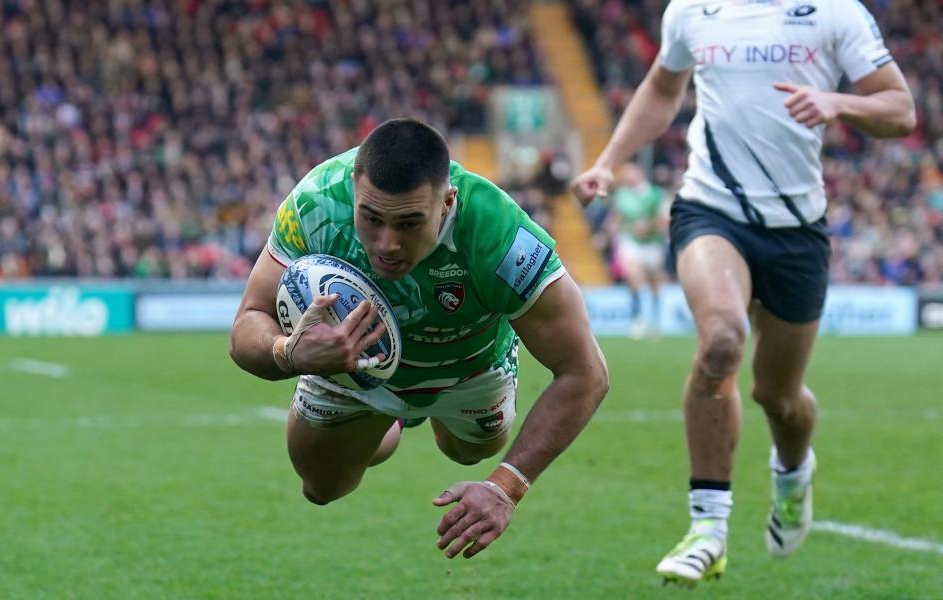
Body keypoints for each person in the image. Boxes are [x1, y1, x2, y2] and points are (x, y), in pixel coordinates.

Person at [571, 0, 915, 586]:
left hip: (797, 231)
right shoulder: (692, 11)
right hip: (710, 210)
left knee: (777, 396)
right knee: (722, 342)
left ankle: (792, 471)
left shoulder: (834, 13)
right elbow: (661, 88)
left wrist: (839, 103)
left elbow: (900, 108)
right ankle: (708, 527)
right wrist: (608, 161)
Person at [230, 118, 608, 559]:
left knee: (469, 452)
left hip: (470, 368)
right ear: (354, 187)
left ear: (447, 203)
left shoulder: (498, 232)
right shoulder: (316, 202)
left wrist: (505, 487)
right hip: (351, 365)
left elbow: (586, 372)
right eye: (371, 219)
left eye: (409, 223)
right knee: (322, 488)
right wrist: (289, 353)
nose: (387, 243)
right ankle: (388, 417)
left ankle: (412, 415)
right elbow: (247, 323)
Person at [607, 163, 669, 338]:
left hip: (652, 243)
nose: (627, 177)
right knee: (633, 275)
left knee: (654, 281)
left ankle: (656, 321)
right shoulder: (621, 195)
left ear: (640, 173)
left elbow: (664, 220)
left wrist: (649, 226)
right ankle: (638, 318)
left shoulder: (656, 194)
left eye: (630, 173)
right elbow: (616, 216)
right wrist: (610, 229)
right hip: (631, 241)